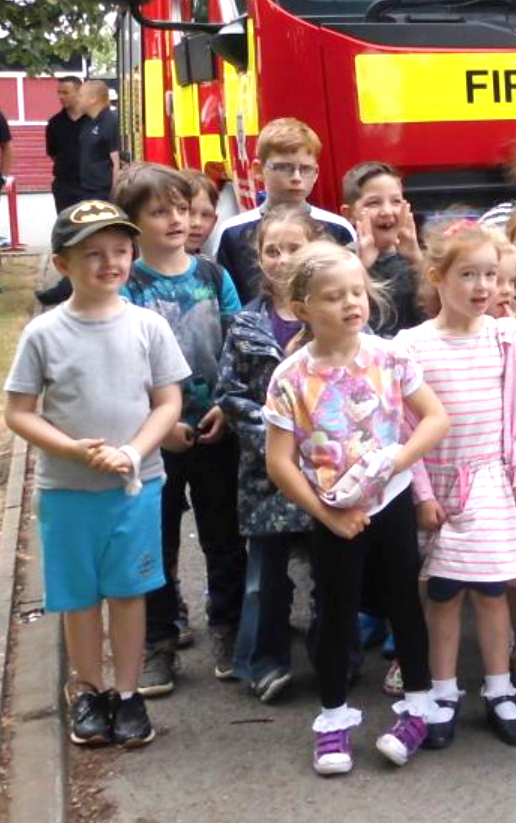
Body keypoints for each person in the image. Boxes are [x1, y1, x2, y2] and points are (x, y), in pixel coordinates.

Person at [4, 200, 190, 749]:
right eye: (93, 254)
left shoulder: (148, 326)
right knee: (79, 597)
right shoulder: (44, 334)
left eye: (119, 251)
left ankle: (128, 695)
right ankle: (89, 692)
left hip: (135, 486)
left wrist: (132, 453)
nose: (110, 263)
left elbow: (167, 402)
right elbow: (18, 411)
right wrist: (73, 449)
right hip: (67, 491)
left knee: (129, 593)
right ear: (62, 265)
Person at [263, 242, 450, 775]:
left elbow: (435, 418)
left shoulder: (390, 356)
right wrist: (328, 516)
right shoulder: (290, 377)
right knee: (337, 613)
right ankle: (334, 718)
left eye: (356, 292)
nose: (351, 304)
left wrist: (398, 462)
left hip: (389, 502)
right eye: (333, 296)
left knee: (404, 604)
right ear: (302, 309)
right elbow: (280, 462)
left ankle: (417, 707)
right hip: (333, 511)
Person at [394, 220, 516, 748]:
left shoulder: (507, 337)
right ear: (437, 277)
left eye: (492, 276)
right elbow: (404, 428)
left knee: (493, 591)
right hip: (439, 485)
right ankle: (444, 690)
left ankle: (500, 689)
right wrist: (423, 495)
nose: (482, 287)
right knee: (443, 592)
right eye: (468, 275)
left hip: (492, 483)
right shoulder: (410, 346)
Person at [114, 165, 246, 697]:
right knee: (155, 540)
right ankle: (159, 640)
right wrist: (159, 426)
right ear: (133, 223)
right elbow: (122, 365)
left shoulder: (213, 276)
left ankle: (230, 627)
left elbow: (237, 346)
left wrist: (228, 408)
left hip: (216, 430)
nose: (176, 220)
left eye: (182, 209)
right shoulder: (128, 286)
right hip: (154, 440)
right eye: (159, 211)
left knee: (224, 536)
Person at [216, 207, 325, 703]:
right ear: (258, 258)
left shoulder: (329, 314)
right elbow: (229, 393)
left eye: (294, 247)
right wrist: (274, 430)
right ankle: (264, 662)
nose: (283, 259)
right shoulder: (245, 325)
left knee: (330, 570)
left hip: (327, 469)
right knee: (265, 577)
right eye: (272, 250)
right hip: (265, 474)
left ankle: (334, 655)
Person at [208, 118, 355, 303]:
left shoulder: (337, 228)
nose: (296, 177)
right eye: (284, 168)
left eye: (305, 169)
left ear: (316, 173)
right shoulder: (232, 232)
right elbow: (227, 297)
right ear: (258, 169)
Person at [340, 161, 423, 337]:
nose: (387, 211)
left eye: (396, 201)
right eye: (374, 203)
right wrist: (361, 266)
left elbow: (440, 309)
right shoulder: (340, 261)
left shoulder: (418, 256)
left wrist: (416, 259)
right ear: (349, 214)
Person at [46, 75, 86, 211]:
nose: (61, 97)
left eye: (65, 93)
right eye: (59, 93)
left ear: (80, 92)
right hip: (65, 187)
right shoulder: (55, 123)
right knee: (68, 229)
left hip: (94, 187)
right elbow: (52, 153)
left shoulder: (95, 121)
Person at [77, 80, 121, 202]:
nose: (78, 99)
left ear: (92, 98)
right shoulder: (87, 122)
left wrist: (114, 195)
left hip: (104, 193)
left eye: (80, 95)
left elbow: (117, 161)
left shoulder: (111, 121)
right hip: (86, 190)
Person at [182, 169, 221, 256]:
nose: (197, 223)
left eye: (206, 215)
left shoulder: (211, 268)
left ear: (214, 221)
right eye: (188, 213)